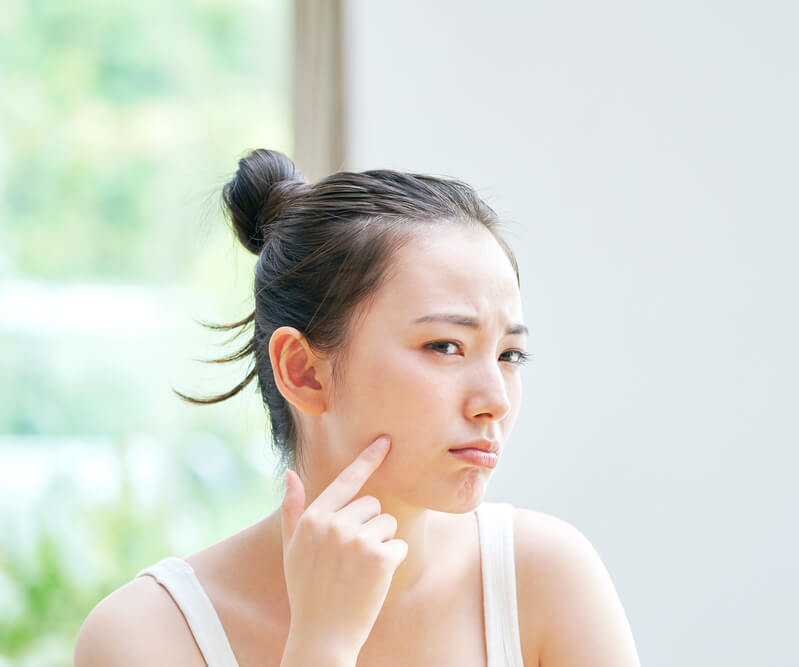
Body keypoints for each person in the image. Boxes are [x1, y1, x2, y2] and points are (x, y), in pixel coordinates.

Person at [73, 149, 641, 667]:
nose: (494, 400)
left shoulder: (542, 579)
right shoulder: (147, 636)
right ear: (304, 371)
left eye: (510, 354)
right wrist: (321, 646)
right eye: (445, 346)